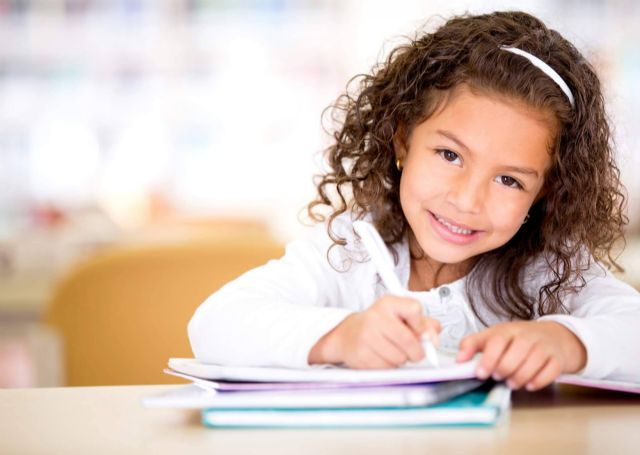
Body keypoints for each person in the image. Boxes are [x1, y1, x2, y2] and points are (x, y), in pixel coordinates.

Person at [188, 11, 640, 390]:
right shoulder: (350, 252)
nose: (466, 199)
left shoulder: (549, 272)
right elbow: (215, 325)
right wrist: (341, 337)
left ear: (544, 194)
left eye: (508, 180)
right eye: (449, 155)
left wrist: (568, 343)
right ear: (402, 140)